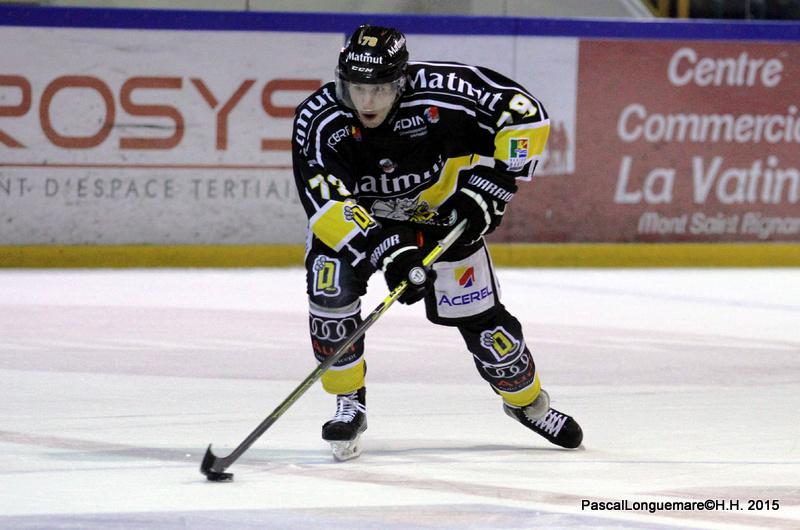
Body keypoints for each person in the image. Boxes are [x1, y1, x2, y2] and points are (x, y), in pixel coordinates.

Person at [292, 24, 583, 461]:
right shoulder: (317, 119)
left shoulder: (443, 91)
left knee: (488, 329)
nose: (366, 102)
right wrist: (388, 251)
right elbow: (327, 204)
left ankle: (527, 402)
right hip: (362, 224)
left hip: (441, 218)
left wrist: (494, 184)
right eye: (357, 88)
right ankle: (348, 402)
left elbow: (525, 114)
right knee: (330, 291)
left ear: (401, 81)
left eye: (379, 89)